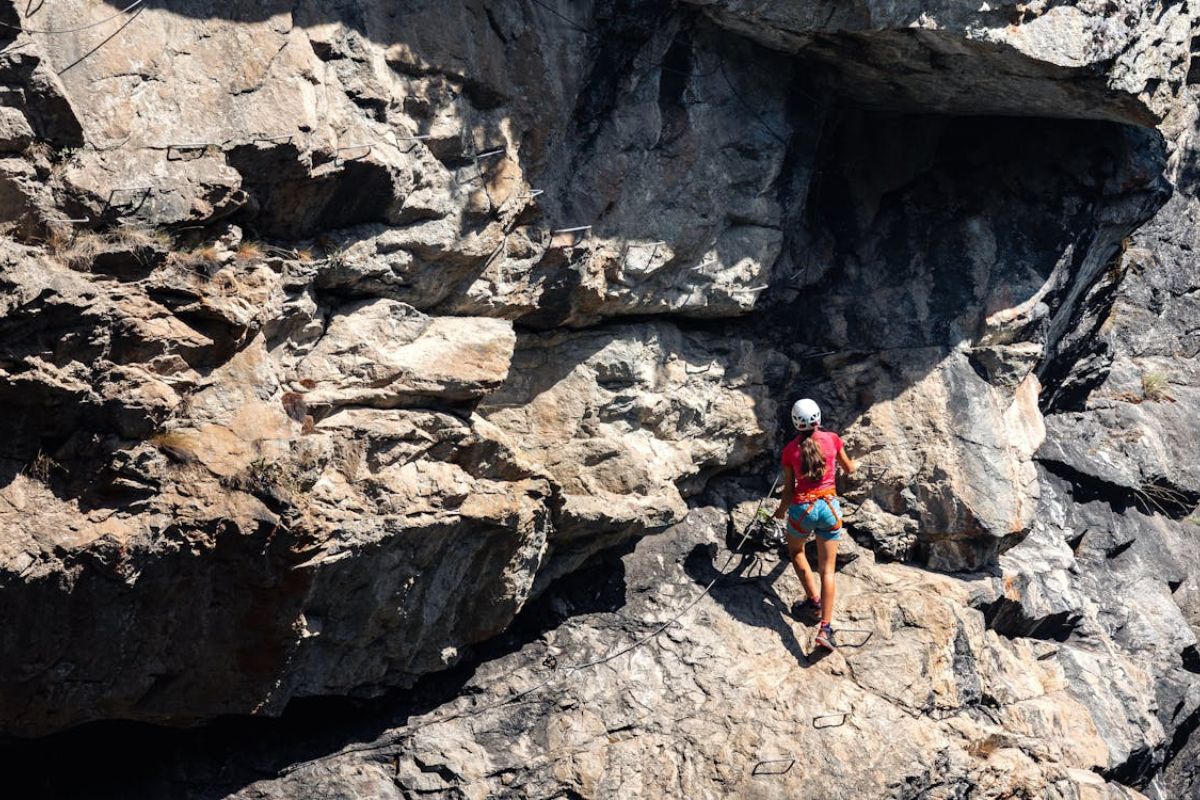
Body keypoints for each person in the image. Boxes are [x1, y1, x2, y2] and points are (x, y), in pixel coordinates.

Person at [773, 398, 857, 650]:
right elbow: (850, 469)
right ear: (818, 418)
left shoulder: (789, 451)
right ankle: (826, 629)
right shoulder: (832, 439)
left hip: (802, 510)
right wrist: (857, 464)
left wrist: (779, 511)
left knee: (796, 551)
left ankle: (813, 601)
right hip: (830, 508)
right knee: (827, 570)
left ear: (795, 422)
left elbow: (789, 491)